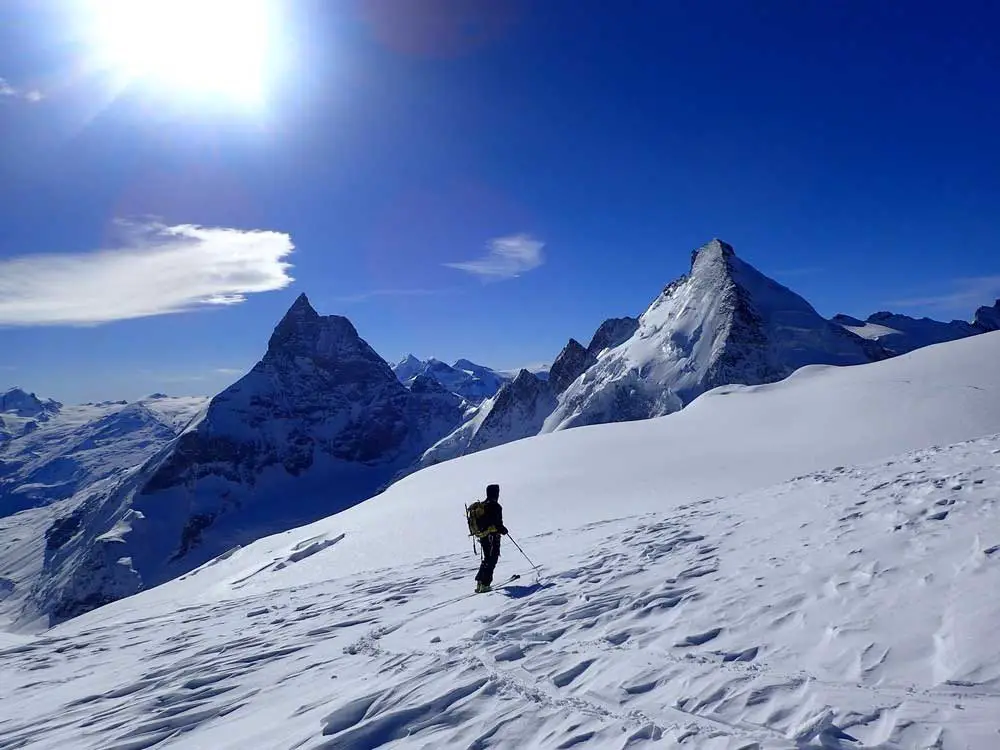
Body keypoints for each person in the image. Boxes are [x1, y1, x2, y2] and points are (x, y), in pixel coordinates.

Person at [473, 483, 507, 593]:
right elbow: (497, 523)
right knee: (492, 558)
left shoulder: (482, 505)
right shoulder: (496, 506)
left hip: (483, 536)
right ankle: (485, 584)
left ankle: (480, 582)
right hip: (492, 536)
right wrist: (503, 530)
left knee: (487, 558)